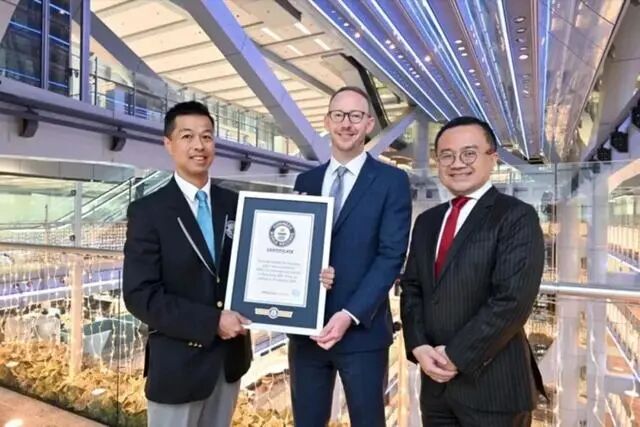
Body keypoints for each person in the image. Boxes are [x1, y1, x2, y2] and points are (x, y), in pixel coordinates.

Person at [400, 116, 546, 426]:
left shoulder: (516, 216)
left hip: (494, 390)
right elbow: (412, 288)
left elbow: (512, 300)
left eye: (469, 153)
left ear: (492, 158)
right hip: (435, 387)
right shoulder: (427, 222)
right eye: (447, 155)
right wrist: (418, 345)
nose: (457, 163)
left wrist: (456, 356)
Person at [122, 101, 252, 427]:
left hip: (229, 363)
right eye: (187, 136)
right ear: (168, 144)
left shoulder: (237, 204)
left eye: (207, 136)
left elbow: (256, 266)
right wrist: (212, 322)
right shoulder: (148, 212)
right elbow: (140, 295)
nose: (199, 145)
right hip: (177, 366)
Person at [289, 86, 412, 427]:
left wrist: (349, 314)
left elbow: (391, 255)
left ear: (369, 124)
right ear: (327, 121)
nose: (347, 124)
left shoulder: (392, 181)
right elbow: (297, 250)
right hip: (306, 331)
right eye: (339, 115)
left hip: (362, 332)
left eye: (356, 116)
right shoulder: (306, 180)